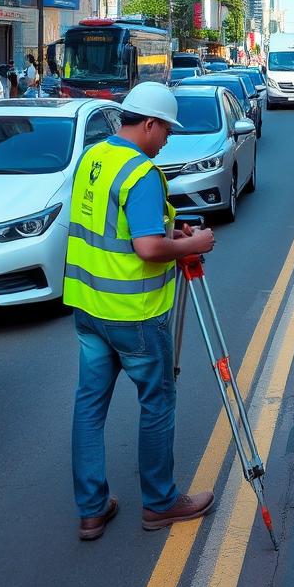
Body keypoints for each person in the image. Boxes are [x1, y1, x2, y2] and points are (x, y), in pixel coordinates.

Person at [65, 82, 217, 541]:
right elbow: (148, 247)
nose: (168, 138)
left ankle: (91, 510)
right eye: (166, 129)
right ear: (148, 124)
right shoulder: (142, 172)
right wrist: (193, 243)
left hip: (89, 307)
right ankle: (161, 502)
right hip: (134, 314)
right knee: (157, 404)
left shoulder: (95, 158)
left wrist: (172, 226)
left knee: (89, 407)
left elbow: (118, 224)